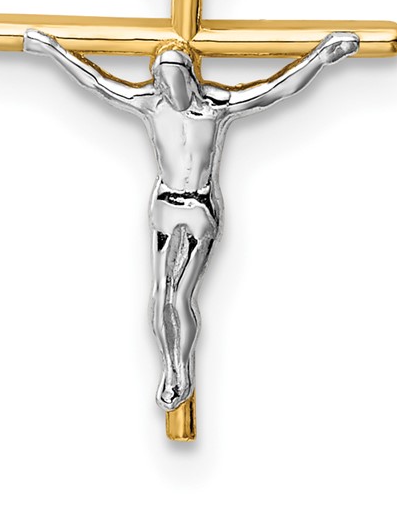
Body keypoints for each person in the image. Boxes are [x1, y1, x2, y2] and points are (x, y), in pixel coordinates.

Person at [23, 28, 359, 410]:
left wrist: (320, 57)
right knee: (160, 297)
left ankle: (181, 368)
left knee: (181, 296)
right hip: (165, 205)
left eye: (176, 78)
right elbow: (97, 82)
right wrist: (52, 50)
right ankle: (170, 368)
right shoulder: (152, 105)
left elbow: (274, 89)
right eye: (163, 80)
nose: (170, 88)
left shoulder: (214, 106)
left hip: (200, 208)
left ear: (189, 76)